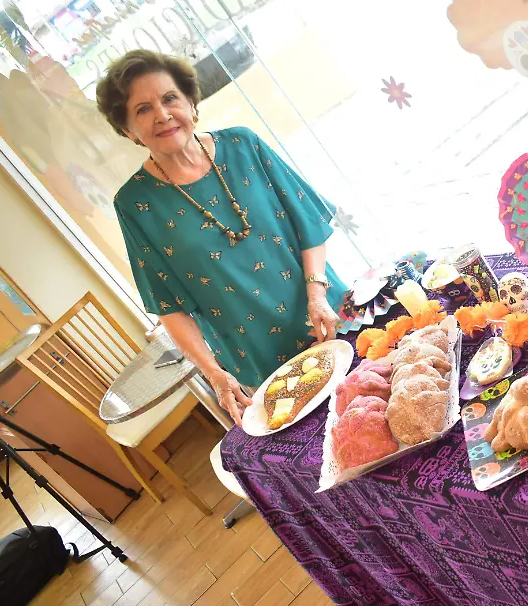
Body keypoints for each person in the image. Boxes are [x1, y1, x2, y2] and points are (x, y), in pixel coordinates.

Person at [98, 50, 346, 426]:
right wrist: (214, 372)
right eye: (143, 109)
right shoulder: (134, 204)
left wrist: (316, 294)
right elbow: (168, 305)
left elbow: (307, 222)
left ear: (190, 103)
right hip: (257, 355)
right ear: (128, 130)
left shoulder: (244, 145)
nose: (163, 115)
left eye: (169, 99)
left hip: (327, 315)